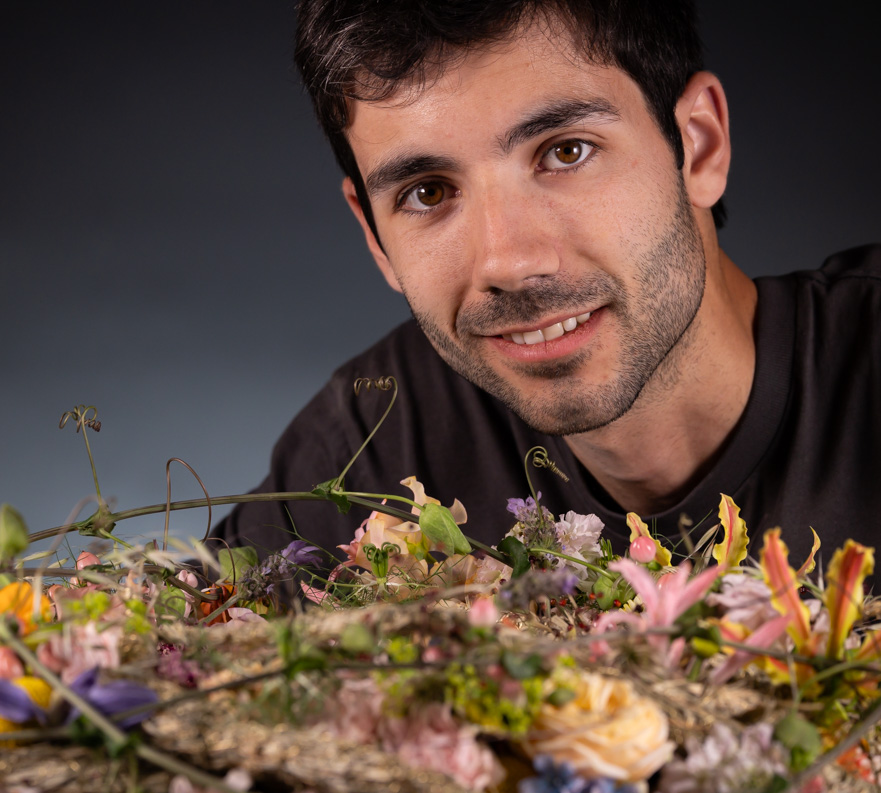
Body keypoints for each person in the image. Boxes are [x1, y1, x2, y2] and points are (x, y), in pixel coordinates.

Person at [212, 0, 881, 570]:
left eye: (565, 151)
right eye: (428, 192)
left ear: (698, 145)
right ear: (375, 238)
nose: (507, 261)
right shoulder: (374, 443)